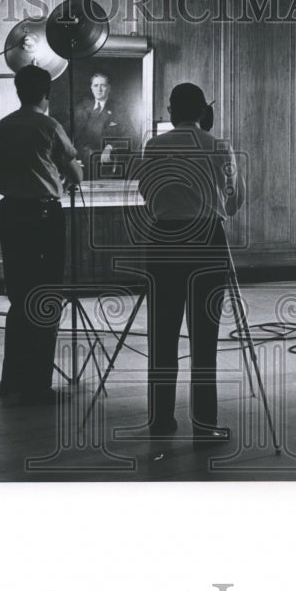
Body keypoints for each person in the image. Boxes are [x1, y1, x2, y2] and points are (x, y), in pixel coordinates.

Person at [133, 82, 246, 444]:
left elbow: (147, 192)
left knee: (162, 334)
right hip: (207, 241)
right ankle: (205, 424)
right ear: (203, 113)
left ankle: (160, 419)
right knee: (204, 337)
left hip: (164, 240)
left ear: (171, 112)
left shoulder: (153, 146)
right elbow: (234, 202)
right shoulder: (219, 146)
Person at [0, 65, 83, 406]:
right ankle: (37, 385)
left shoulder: (3, 126)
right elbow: (75, 174)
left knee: (20, 298)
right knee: (46, 298)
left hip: (10, 213)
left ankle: (11, 380)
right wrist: (66, 176)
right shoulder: (48, 126)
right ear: (47, 94)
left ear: (18, 91)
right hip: (42, 216)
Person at [72, 71, 132, 179]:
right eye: (95, 85)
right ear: (91, 88)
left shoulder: (119, 109)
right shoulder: (82, 108)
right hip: (83, 166)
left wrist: (110, 146)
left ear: (109, 88)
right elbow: (73, 136)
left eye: (103, 85)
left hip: (107, 168)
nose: (99, 89)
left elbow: (131, 135)